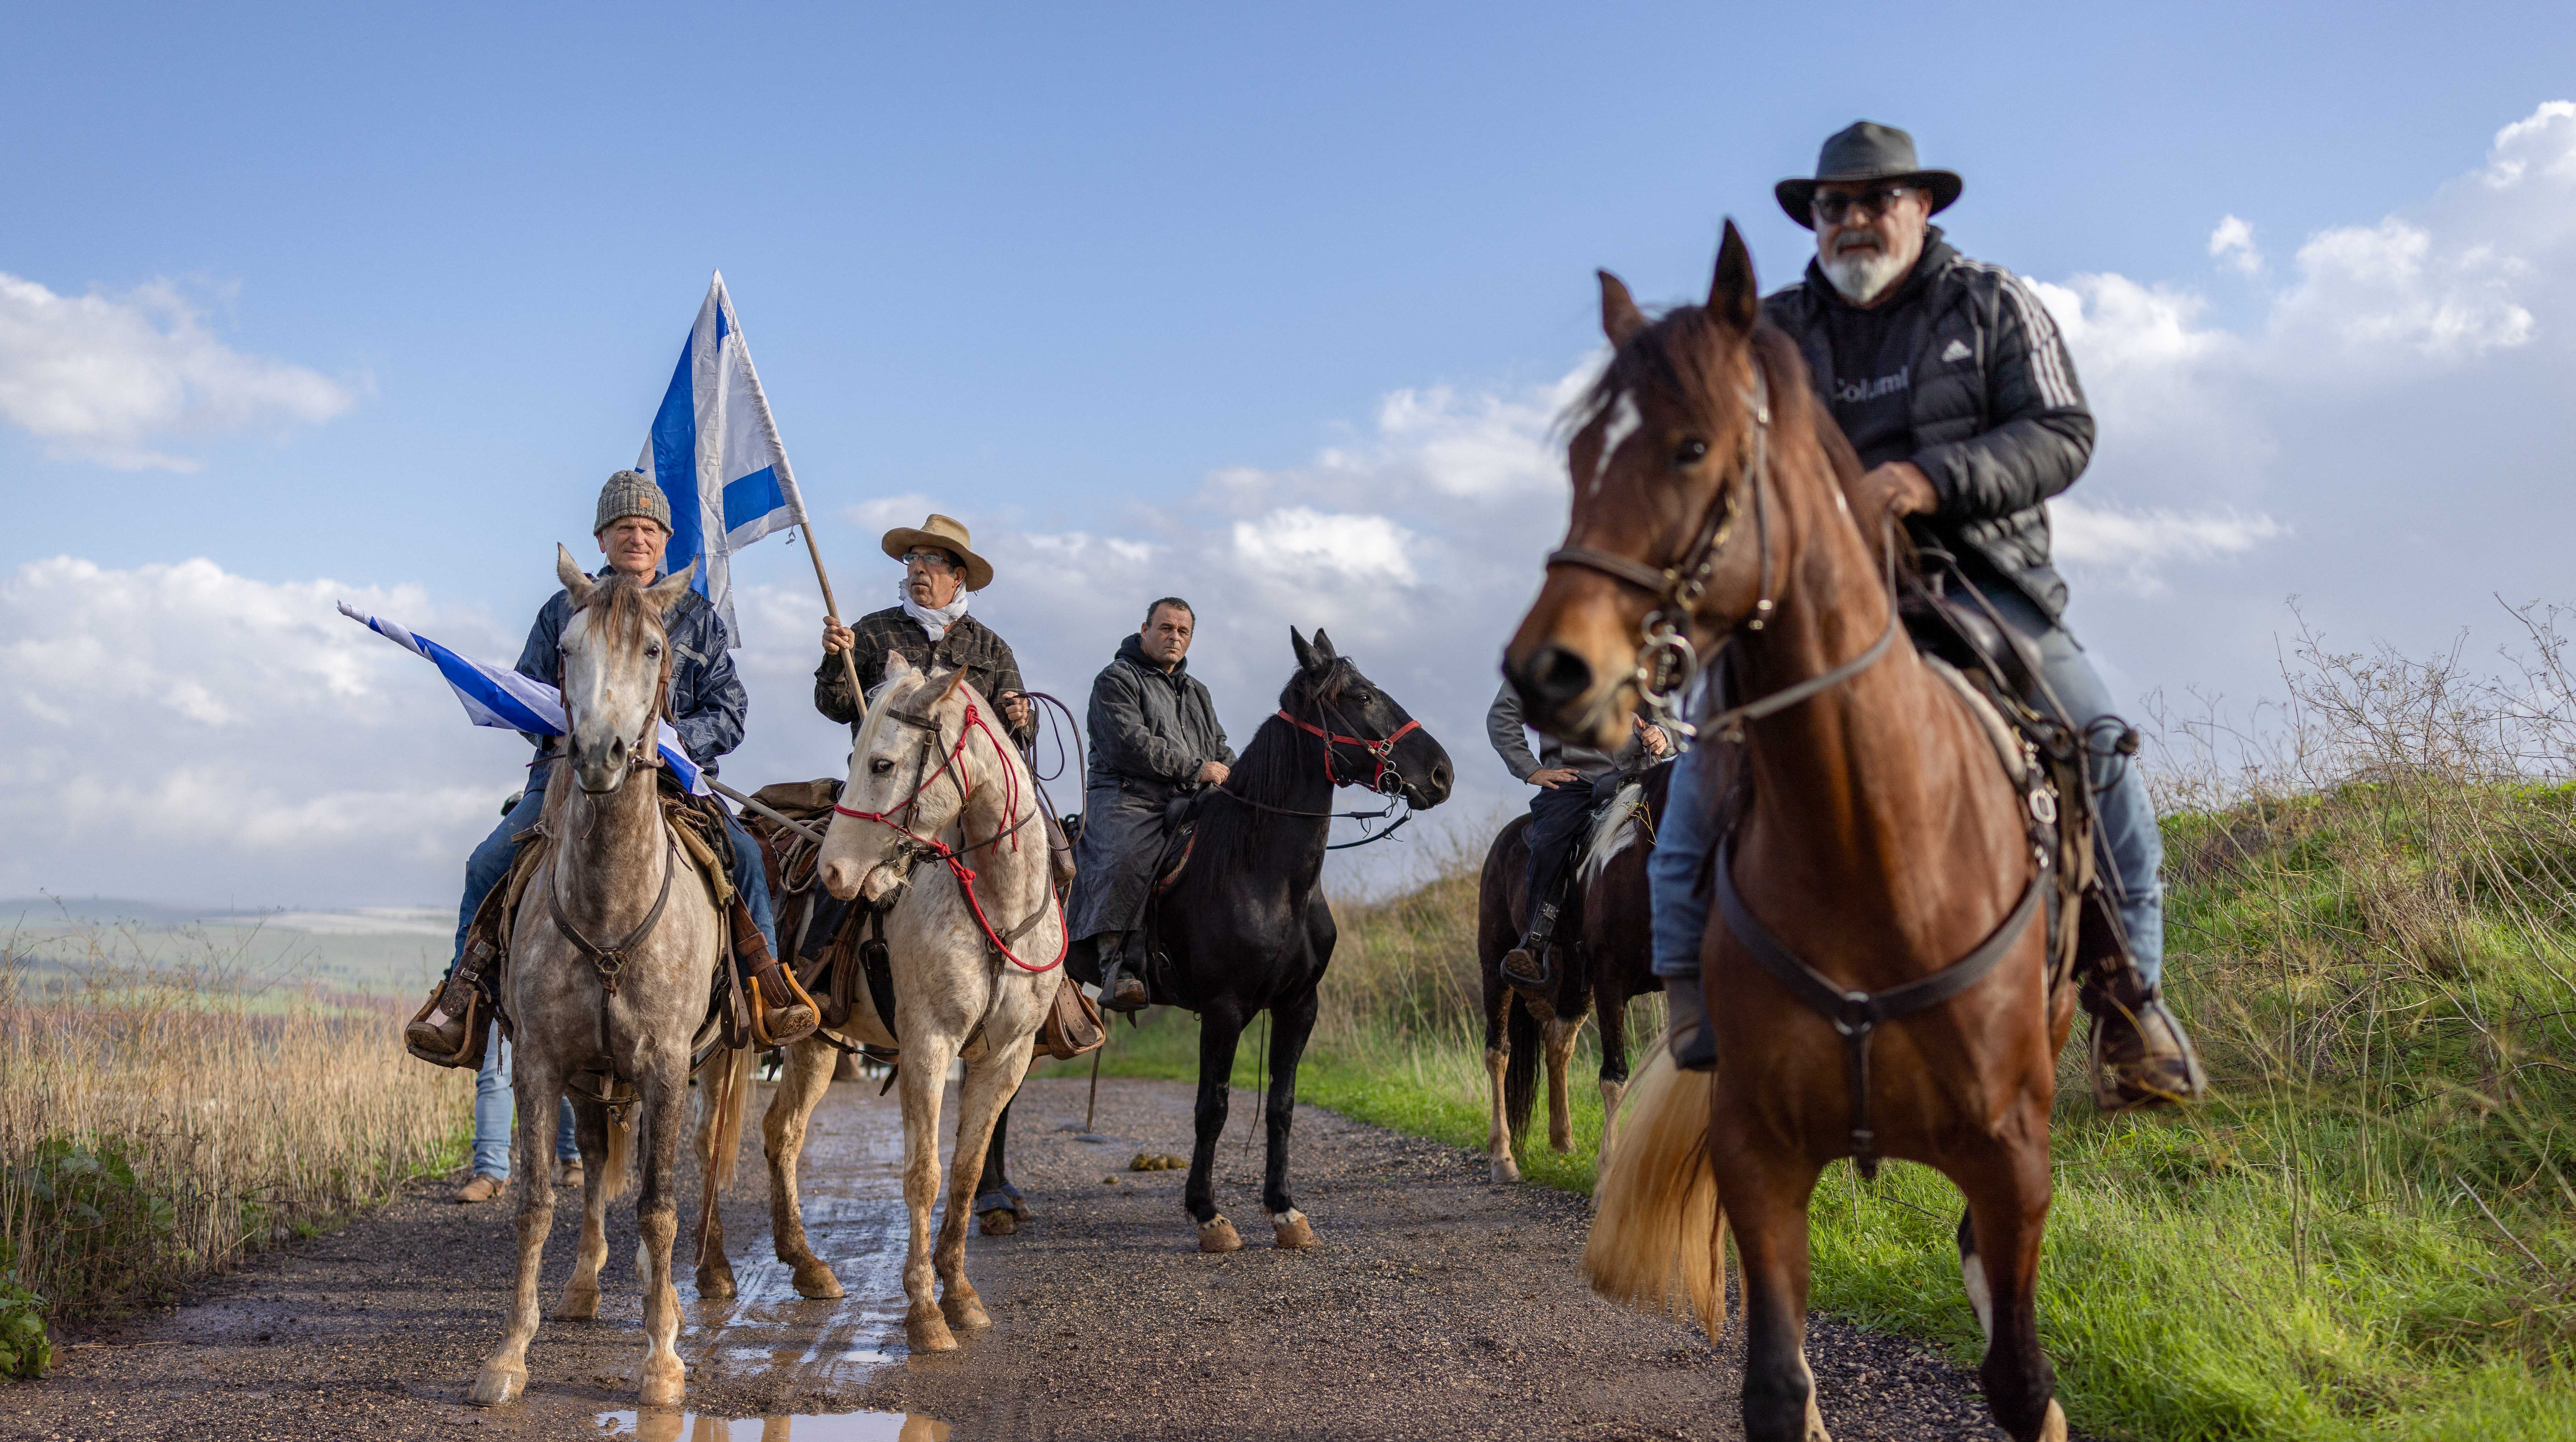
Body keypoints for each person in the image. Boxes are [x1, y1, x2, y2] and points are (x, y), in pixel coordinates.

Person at [1648, 121, 2203, 1110]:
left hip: (1976, 574)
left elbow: (2064, 429)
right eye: (1834, 205)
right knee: (1704, 744)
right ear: (1813, 219)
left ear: (1922, 207)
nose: (1855, 219)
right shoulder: (1769, 329)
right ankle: (1687, 982)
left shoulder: (1991, 302)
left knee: (2095, 737)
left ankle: (2132, 1006)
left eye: (1877, 200)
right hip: (1808, 592)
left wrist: (1927, 477)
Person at [405, 470, 798, 1201]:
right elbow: (527, 693)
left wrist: (681, 738)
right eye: (624, 528)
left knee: (744, 855)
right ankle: (461, 998)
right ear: (601, 540)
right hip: (567, 775)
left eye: (649, 529)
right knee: (486, 861)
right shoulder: (565, 609)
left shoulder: (696, 619)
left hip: (669, 782)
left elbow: (732, 708)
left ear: (665, 542)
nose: (636, 537)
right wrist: (576, 725)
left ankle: (766, 985)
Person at [1067, 597, 1232, 1012]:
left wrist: (1242, 779)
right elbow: (1131, 745)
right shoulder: (1116, 679)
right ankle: (1117, 966)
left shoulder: (1198, 692)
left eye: (1183, 631)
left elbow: (1220, 748)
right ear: (1145, 630)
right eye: (1166, 628)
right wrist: (1198, 769)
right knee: (1126, 858)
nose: (1174, 636)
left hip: (1188, 796)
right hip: (1127, 797)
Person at [1487, 684, 1668, 987]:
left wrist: (1663, 734)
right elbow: (1502, 716)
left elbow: (1669, 717)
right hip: (1573, 783)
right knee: (1548, 843)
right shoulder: (1547, 654)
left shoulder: (1640, 650)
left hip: (1641, 778)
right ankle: (1536, 944)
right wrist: (1530, 769)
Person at [817, 512, 1034, 745]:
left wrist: (1021, 717)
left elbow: (1021, 739)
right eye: (912, 558)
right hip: (881, 777)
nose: (918, 568)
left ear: (958, 576)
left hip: (965, 780)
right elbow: (835, 708)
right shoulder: (872, 631)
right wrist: (836, 659)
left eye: (931, 559)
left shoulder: (992, 649)